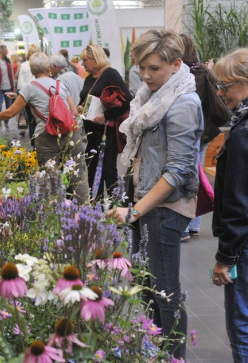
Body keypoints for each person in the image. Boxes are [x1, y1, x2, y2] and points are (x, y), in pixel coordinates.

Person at [107, 29, 203, 359]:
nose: (145, 75)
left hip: (164, 209)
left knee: (165, 291)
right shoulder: (154, 98)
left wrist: (134, 211)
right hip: (147, 204)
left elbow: (177, 172)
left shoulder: (182, 104)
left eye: (154, 68)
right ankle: (156, 351)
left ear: (176, 64)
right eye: (141, 67)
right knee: (149, 288)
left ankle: (172, 356)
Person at [0, 52, 88, 203]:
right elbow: (74, 112)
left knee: (48, 177)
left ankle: (51, 215)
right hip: (70, 134)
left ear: (32, 70)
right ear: (49, 67)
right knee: (78, 175)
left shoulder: (29, 88)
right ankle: (83, 213)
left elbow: (10, 112)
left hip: (46, 135)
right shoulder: (59, 84)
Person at [210, 48, 248, 363]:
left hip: (244, 245)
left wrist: (225, 258)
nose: (221, 93)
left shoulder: (243, 131)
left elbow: (239, 202)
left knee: (242, 326)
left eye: (227, 86)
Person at [179, 34, 230, 241]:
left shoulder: (181, 76)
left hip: (186, 132)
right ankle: (194, 225)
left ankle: (183, 226)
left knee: (185, 176)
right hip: (205, 132)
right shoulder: (203, 71)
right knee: (197, 174)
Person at [78, 44, 131, 199]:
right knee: (93, 171)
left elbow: (127, 101)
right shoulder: (89, 78)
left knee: (108, 171)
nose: (83, 64)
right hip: (90, 132)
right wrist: (80, 106)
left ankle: (117, 210)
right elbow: (86, 99)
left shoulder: (110, 74)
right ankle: (96, 208)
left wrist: (106, 116)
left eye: (85, 60)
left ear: (95, 59)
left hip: (107, 131)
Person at [17, 44, 40, 144]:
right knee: (38, 119)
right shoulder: (41, 64)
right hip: (39, 95)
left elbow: (20, 85)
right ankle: (39, 141)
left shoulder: (24, 65)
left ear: (29, 53)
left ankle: (33, 143)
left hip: (27, 96)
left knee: (31, 119)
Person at [0, 44, 16, 130]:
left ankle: (6, 123)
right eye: (6, 50)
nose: (7, 52)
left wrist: (13, 86)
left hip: (8, 87)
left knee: (9, 108)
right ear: (1, 51)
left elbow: (12, 75)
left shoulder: (8, 61)